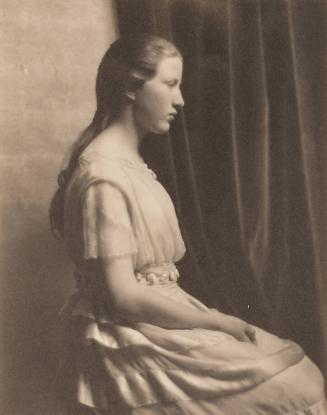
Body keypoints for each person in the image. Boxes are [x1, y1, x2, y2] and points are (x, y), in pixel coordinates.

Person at [50, 34, 325, 415]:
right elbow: (123, 296)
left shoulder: (130, 164)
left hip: (160, 318)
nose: (179, 100)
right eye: (170, 84)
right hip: (129, 337)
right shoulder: (103, 176)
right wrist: (214, 320)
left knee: (300, 373)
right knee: (296, 387)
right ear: (132, 87)